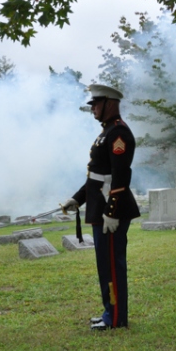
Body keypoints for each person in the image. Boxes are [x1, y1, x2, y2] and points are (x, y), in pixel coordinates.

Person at [62, 84, 141, 331]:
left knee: (112, 266)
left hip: (111, 211)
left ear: (110, 103)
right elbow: (97, 177)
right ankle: (110, 312)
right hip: (101, 208)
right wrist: (77, 199)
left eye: (96, 103)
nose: (93, 108)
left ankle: (116, 318)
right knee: (105, 265)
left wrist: (111, 212)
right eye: (92, 104)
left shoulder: (119, 133)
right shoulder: (107, 132)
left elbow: (120, 176)